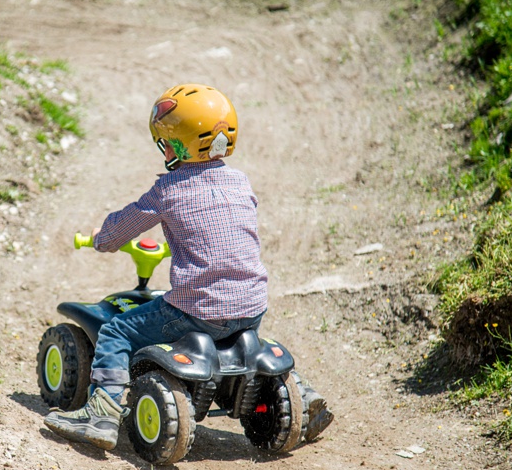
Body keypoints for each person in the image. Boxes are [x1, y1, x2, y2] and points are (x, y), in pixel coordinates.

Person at [43, 83, 332, 451]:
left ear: (175, 144)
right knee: (250, 337)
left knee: (116, 331)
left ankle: (101, 413)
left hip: (198, 311)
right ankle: (300, 395)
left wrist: (102, 238)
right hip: (251, 307)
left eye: (164, 141)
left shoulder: (168, 191)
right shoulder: (240, 182)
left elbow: (122, 228)